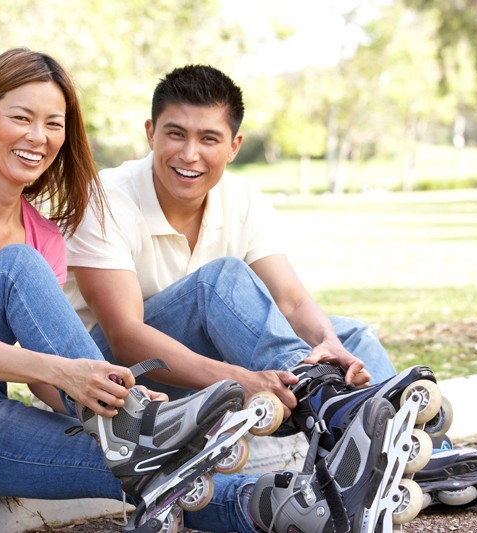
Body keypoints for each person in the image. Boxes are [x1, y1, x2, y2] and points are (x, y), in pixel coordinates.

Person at [0, 49, 421, 533]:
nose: (37, 135)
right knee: (16, 273)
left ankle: (291, 508)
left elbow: (53, 385)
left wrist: (113, 404)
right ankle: (138, 422)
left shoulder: (44, 234)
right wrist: (86, 381)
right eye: (20, 116)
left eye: (54, 123)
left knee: (147, 465)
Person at [63, 64, 397, 416]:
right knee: (218, 281)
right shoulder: (107, 200)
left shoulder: (242, 199)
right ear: (151, 133)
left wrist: (326, 342)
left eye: (208, 139)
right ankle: (320, 397)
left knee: (349, 338)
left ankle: (418, 446)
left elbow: (292, 303)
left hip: (197, 368)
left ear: (233, 146)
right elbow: (124, 336)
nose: (189, 154)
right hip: (110, 379)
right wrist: (240, 379)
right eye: (176, 134)